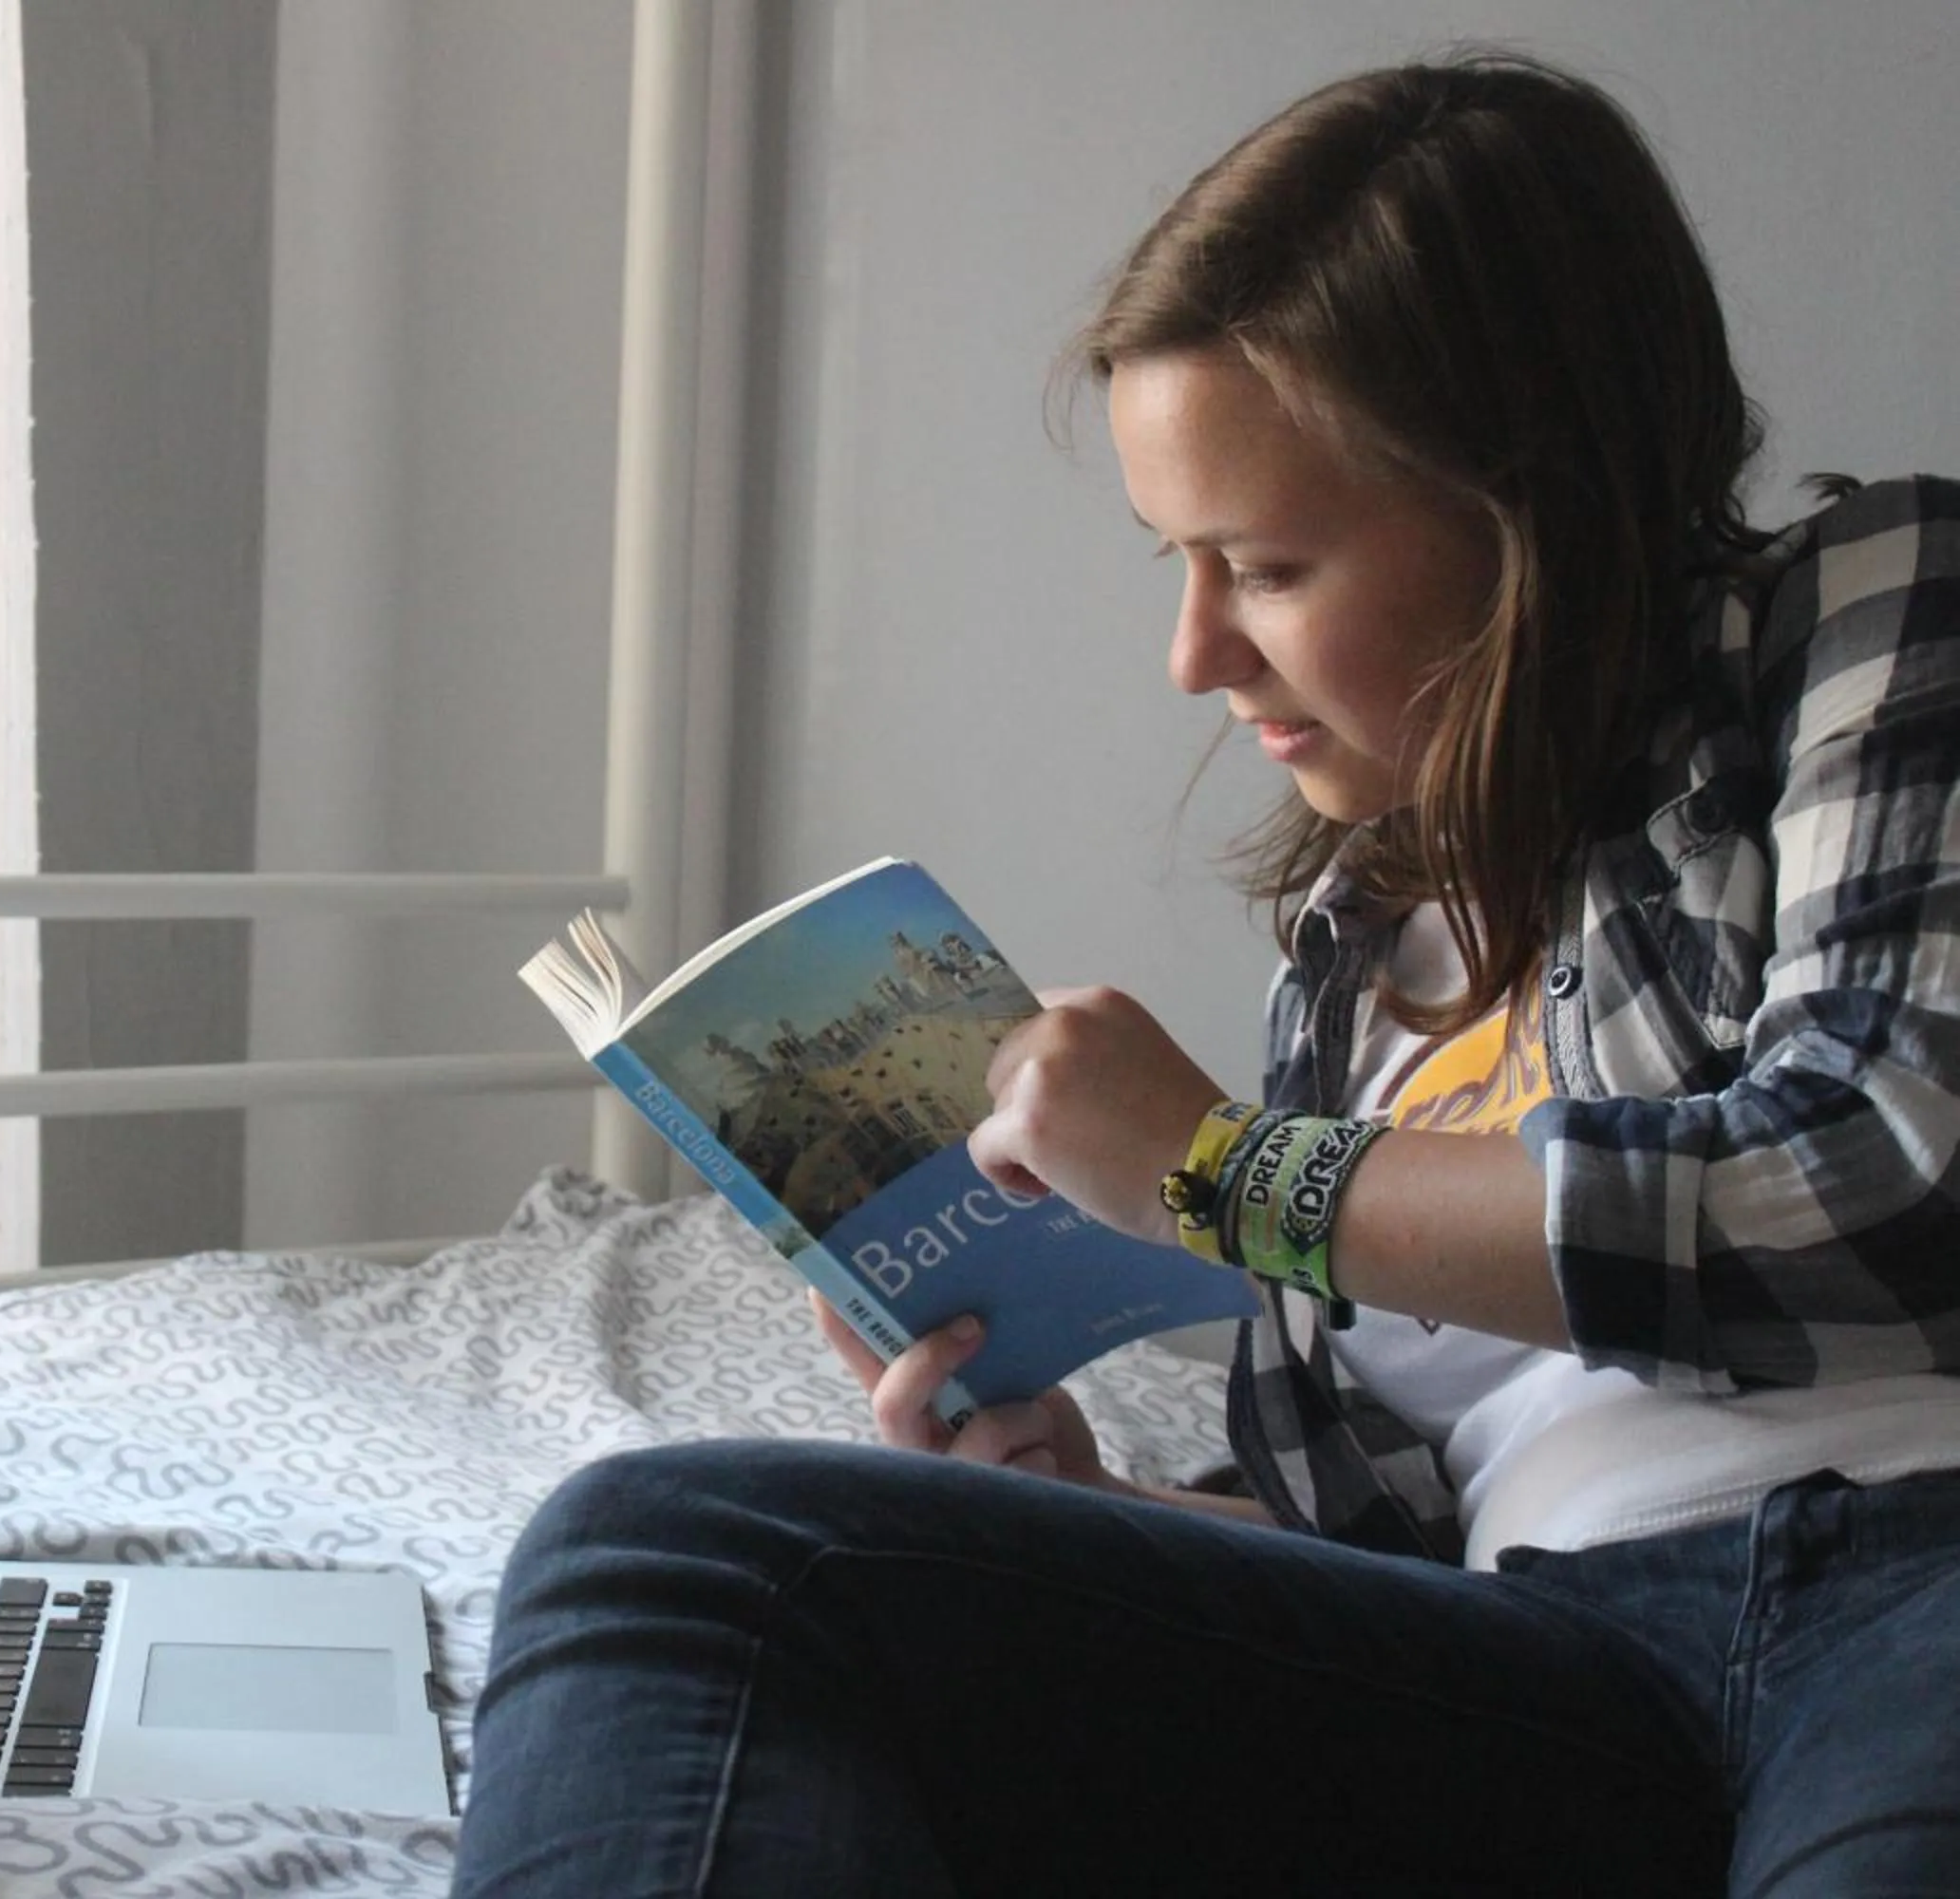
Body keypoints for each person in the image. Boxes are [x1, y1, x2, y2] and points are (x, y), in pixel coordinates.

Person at [450, 49, 1960, 1899]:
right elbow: (1387, 1549)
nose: (1193, 655)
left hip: (1916, 1579)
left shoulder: (1872, 605)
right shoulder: (1348, 970)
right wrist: (1087, 1516)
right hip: (1559, 1688)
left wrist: (1223, 1174)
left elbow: (1886, 1179)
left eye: (1263, 563)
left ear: (1529, 523)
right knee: (674, 1556)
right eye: (1178, 562)